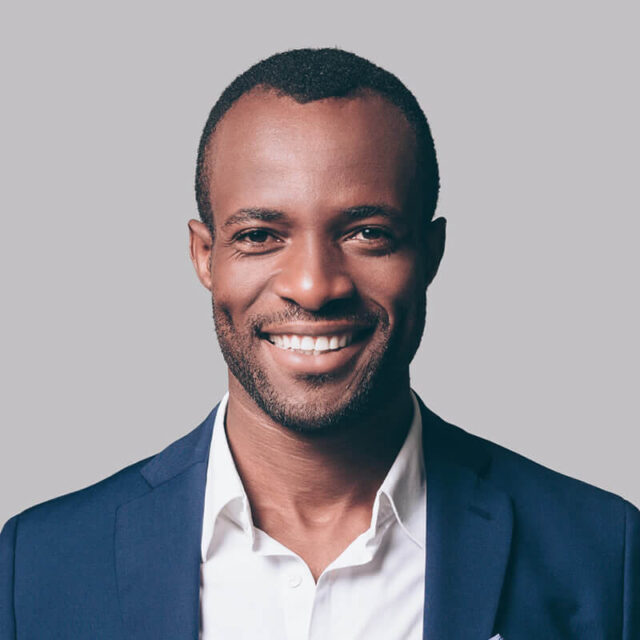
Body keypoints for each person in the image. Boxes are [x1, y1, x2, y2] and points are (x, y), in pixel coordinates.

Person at [1, 47, 637, 640]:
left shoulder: (603, 554)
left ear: (431, 255)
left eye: (367, 233)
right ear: (204, 255)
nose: (313, 286)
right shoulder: (38, 565)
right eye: (259, 236)